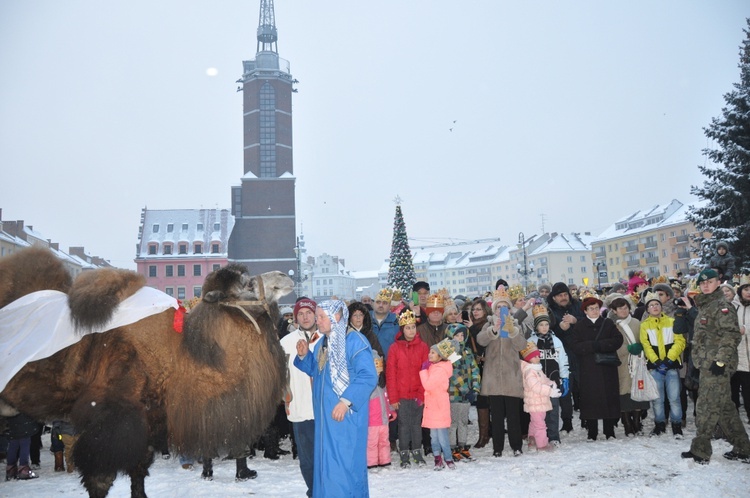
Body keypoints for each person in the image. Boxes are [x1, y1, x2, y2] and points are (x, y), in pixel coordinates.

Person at [294, 300, 378, 497]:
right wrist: (305, 356)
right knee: (326, 466)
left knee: (345, 467)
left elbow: (368, 376)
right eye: (318, 316)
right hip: (326, 420)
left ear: (337, 317)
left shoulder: (354, 341)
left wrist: (346, 401)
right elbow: (317, 372)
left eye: (322, 317)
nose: (318, 320)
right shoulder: (323, 343)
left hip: (346, 419)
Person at [682, 269, 750, 464]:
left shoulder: (722, 306)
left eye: (709, 282)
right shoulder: (707, 305)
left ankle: (700, 451)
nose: (705, 285)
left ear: (718, 282)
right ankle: (743, 448)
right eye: (702, 283)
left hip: (717, 365)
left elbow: (731, 335)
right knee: (724, 408)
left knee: (706, 406)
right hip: (707, 363)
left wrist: (720, 360)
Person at [477, 288, 528, 457]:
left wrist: (512, 331)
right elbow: (481, 340)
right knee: (497, 416)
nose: (501, 310)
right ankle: (497, 447)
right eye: (499, 307)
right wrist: (494, 330)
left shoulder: (515, 324)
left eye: (505, 307)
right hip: (493, 378)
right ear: (494, 309)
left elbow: (521, 346)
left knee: (514, 415)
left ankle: (516, 446)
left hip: (511, 376)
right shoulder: (489, 324)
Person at [280, 297, 320, 497]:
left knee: (326, 455)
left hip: (325, 409)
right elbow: (279, 375)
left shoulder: (325, 338)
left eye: (308, 313)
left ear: (315, 314)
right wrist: (286, 396)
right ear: (295, 318)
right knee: (307, 458)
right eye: (300, 314)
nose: (305, 317)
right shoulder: (286, 342)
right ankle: (313, 491)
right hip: (300, 408)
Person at [568, 296, 623, 441]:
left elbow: (618, 340)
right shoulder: (579, 326)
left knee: (608, 397)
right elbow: (575, 346)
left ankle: (609, 430)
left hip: (607, 367)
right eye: (591, 309)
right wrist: (592, 346)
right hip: (588, 368)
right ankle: (592, 432)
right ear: (585, 311)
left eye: (597, 308)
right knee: (590, 399)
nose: (594, 311)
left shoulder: (608, 323)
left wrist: (599, 345)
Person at [386, 310, 429, 468]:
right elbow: (391, 374)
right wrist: (394, 397)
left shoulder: (423, 347)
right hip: (402, 394)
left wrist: (422, 393)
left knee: (416, 424)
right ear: (402, 330)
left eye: (413, 327)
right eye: (408, 328)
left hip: (418, 393)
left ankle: (417, 450)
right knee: (403, 425)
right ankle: (404, 452)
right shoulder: (394, 348)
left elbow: (426, 371)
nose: (411, 331)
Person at [640, 291, 685, 438]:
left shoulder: (672, 322)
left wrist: (669, 360)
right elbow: (646, 345)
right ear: (647, 309)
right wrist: (657, 362)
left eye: (657, 304)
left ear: (661, 307)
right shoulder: (645, 325)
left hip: (671, 366)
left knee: (674, 398)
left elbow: (680, 341)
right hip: (655, 368)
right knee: (658, 399)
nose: (654, 307)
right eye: (651, 305)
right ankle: (659, 424)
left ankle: (677, 425)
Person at [606, 296, 650, 436]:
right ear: (614, 311)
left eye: (625, 308)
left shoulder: (637, 322)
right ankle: (627, 423)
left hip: (638, 361)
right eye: (620, 308)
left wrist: (641, 349)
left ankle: (637, 422)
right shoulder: (612, 326)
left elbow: (644, 339)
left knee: (638, 389)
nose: (623, 311)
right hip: (622, 363)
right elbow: (612, 344)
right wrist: (627, 349)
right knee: (623, 391)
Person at [529, 303, 569, 446]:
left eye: (546, 324)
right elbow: (527, 362)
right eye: (541, 325)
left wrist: (564, 378)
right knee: (539, 412)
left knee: (553, 410)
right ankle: (539, 436)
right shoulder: (531, 342)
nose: (544, 327)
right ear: (536, 326)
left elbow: (563, 360)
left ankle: (554, 436)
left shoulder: (556, 341)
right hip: (537, 384)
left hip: (553, 381)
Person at [546, 282, 584, 432]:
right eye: (560, 295)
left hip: (579, 352)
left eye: (565, 294)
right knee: (565, 389)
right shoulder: (550, 311)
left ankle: (585, 418)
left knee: (582, 386)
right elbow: (547, 331)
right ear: (554, 298)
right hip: (561, 355)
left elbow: (588, 323)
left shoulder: (578, 306)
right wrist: (560, 329)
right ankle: (566, 420)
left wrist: (575, 321)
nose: (563, 298)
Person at [420, 338, 459, 470]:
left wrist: (423, 371)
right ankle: (437, 458)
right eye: (430, 352)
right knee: (433, 437)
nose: (429, 354)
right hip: (432, 405)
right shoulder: (434, 367)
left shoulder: (440, 370)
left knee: (442, 436)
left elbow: (428, 385)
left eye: (433, 352)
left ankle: (448, 458)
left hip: (439, 406)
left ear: (440, 356)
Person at [445, 323, 480, 461]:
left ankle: (463, 445)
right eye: (457, 335)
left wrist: (475, 388)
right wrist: (465, 389)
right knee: (453, 422)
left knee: (463, 421)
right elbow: (453, 373)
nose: (460, 338)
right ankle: (452, 446)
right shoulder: (449, 354)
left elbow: (475, 369)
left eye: (462, 335)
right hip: (454, 393)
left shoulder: (467, 352)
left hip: (468, 394)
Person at [520, 342, 561, 451]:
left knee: (535, 422)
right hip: (535, 402)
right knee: (540, 424)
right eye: (535, 356)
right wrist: (550, 392)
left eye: (538, 355)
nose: (539, 357)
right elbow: (536, 386)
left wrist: (551, 383)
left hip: (539, 401)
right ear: (529, 358)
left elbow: (543, 380)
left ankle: (532, 439)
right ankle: (542, 445)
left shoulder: (537, 369)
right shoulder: (530, 371)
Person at [466, 298, 492, 448]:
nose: (475, 312)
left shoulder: (486, 324)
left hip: (488, 365)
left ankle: (488, 433)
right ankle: (484, 434)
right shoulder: (471, 326)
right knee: (481, 399)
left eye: (478, 309)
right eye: (474, 309)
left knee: (490, 399)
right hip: (476, 366)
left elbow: (483, 341)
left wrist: (472, 329)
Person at [367, 352, 396, 469]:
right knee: (372, 444)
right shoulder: (368, 385)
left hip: (384, 420)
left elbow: (387, 399)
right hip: (372, 422)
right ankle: (371, 463)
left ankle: (385, 461)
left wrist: (391, 411)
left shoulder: (382, 384)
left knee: (384, 442)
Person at [731, 277, 750, 423]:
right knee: (733, 389)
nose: (748, 292)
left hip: (748, 356)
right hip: (734, 354)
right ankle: (734, 417)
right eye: (746, 289)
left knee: (748, 390)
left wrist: (747, 329)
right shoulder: (733, 306)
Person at [4, 412, 39, 480]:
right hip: (23, 421)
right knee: (24, 444)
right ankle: (24, 469)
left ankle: (10, 469)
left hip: (11, 421)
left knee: (13, 444)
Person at [370, 288, 400, 359]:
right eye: (378, 302)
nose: (381, 305)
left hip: (390, 364)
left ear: (390, 306)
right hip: (369, 365)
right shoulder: (365, 320)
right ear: (373, 304)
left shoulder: (397, 322)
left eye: (385, 303)